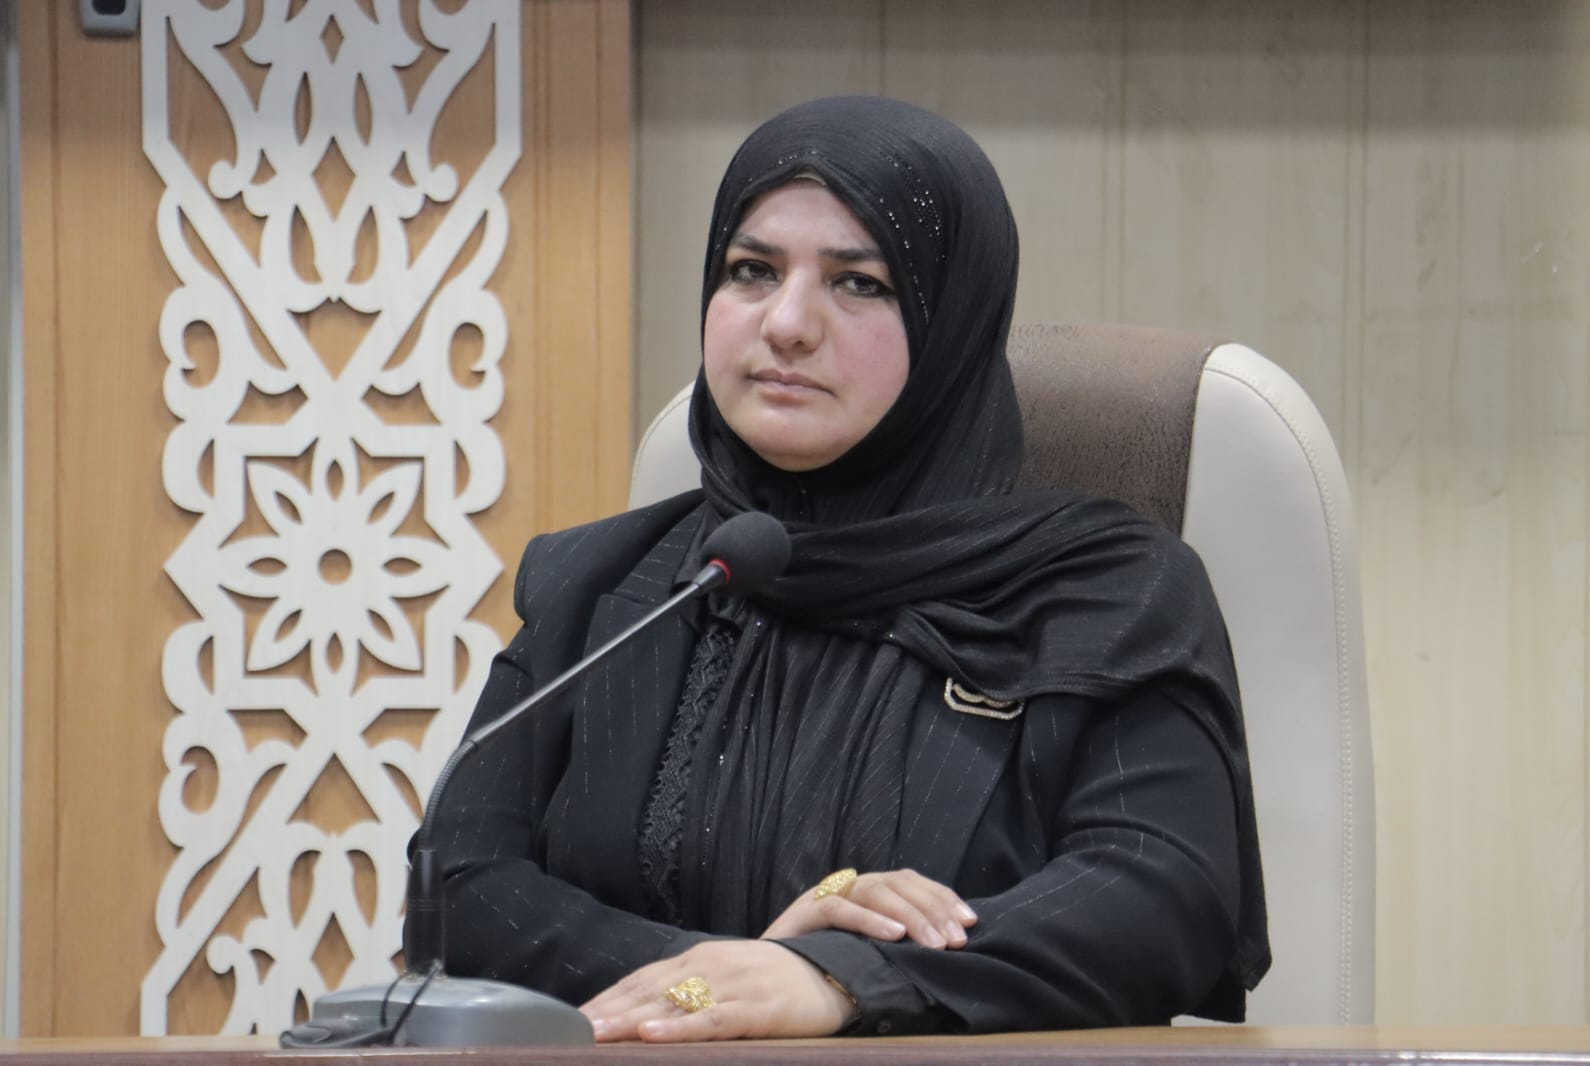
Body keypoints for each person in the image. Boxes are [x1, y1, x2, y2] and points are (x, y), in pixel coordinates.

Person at [421, 95, 1269, 1043]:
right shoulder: (604, 584)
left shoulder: (1102, 593)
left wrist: (846, 980)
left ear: (950, 326)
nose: (787, 323)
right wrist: (728, 979)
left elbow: (1160, 896)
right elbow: (457, 886)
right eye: (751, 271)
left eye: (859, 283)